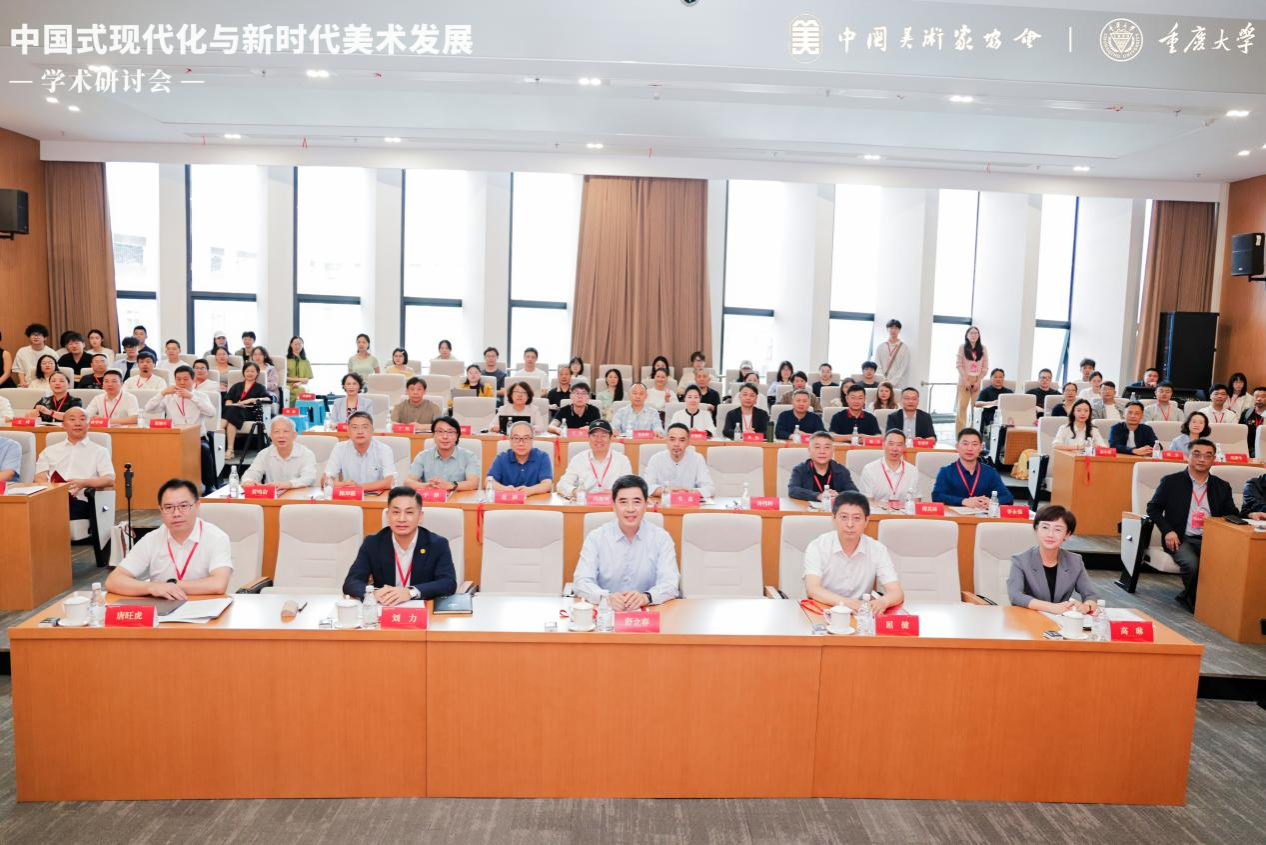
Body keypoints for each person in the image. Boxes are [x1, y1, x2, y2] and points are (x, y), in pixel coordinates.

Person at [105, 479, 232, 599]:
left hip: (205, 605)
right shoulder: (152, 539)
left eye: (183, 506)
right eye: (169, 507)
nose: (176, 513)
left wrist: (171, 585)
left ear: (197, 506)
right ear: (160, 510)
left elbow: (218, 584)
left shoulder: (216, 538)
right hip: (163, 609)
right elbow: (113, 581)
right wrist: (152, 587)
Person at [1147, 439, 1235, 611]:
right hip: (1180, 538)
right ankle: (1198, 603)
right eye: (1197, 454)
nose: (1202, 459)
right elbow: (1153, 508)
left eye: (1207, 456)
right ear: (1187, 456)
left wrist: (1250, 515)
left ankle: (1191, 597)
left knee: (1230, 564)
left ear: (1214, 459)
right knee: (1191, 565)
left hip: (1212, 540)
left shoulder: (1222, 486)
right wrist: (1168, 531)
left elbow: (1231, 514)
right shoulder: (1171, 482)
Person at [573, 474, 680, 609]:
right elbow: (581, 582)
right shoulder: (596, 538)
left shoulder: (661, 538)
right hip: (606, 612)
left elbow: (670, 583)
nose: (630, 509)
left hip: (648, 611)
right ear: (613, 505)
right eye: (623, 502)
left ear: (646, 504)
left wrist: (646, 597)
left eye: (636, 502)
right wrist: (606, 597)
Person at [342, 486, 457, 603]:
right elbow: (351, 582)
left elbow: (448, 583)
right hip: (385, 607)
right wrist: (373, 593)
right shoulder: (373, 543)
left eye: (409, 512)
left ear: (420, 516)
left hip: (421, 607)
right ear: (388, 516)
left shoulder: (437, 544)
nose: (402, 519)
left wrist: (410, 592)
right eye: (396, 512)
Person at [802, 491, 905, 613]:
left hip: (860, 613)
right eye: (844, 517)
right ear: (833, 518)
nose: (850, 524)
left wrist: (883, 601)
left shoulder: (877, 549)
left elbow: (896, 592)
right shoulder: (818, 546)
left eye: (857, 518)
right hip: (824, 610)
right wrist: (844, 603)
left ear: (866, 521)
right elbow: (813, 589)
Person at [1006, 505, 1098, 613]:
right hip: (1028, 618)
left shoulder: (1075, 561)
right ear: (1036, 529)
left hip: (1060, 621)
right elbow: (1015, 595)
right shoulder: (1020, 560)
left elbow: (1091, 595)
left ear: (1067, 534)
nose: (1050, 534)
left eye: (1058, 530)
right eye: (1045, 527)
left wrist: (1087, 606)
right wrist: (1051, 607)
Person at [33, 408, 115, 523]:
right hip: (51, 498)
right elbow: (39, 477)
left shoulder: (100, 451)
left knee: (59, 511)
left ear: (89, 424)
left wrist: (83, 483)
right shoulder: (49, 451)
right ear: (63, 425)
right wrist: (55, 490)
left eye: (82, 419)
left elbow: (109, 480)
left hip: (81, 501)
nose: (77, 423)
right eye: (72, 419)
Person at [146, 365, 219, 490]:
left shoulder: (201, 396)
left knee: (205, 450)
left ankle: (209, 485)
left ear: (193, 379)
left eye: (185, 379)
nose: (181, 382)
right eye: (178, 379)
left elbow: (211, 413)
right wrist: (162, 393)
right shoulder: (169, 397)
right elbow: (149, 408)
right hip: (174, 438)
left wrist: (192, 397)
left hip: (197, 439)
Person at [931, 428, 1014, 508]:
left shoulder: (990, 472)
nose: (970, 448)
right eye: (965, 444)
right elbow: (937, 496)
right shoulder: (946, 472)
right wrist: (963, 501)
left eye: (974, 444)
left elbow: (1008, 497)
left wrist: (991, 502)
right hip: (955, 516)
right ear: (957, 446)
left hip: (983, 516)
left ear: (981, 447)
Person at [323, 411, 397, 492]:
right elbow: (325, 480)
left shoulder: (384, 449)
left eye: (365, 427)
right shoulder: (340, 448)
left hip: (376, 496)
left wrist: (358, 487)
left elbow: (390, 481)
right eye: (355, 427)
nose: (360, 432)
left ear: (372, 430)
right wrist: (343, 485)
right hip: (350, 496)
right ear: (348, 431)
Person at [557, 420, 633, 499]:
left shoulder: (622, 460)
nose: (599, 439)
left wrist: (614, 492)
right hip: (585, 503)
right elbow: (562, 484)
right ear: (589, 438)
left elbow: (629, 486)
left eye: (603, 436)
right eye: (594, 435)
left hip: (612, 503)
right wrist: (576, 492)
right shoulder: (578, 459)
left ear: (610, 438)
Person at [406, 416, 480, 493]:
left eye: (450, 432)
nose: (445, 437)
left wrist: (450, 485)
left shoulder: (469, 456)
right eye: (440, 431)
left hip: (459, 499)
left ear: (457, 436)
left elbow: (473, 483)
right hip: (432, 498)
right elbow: (408, 482)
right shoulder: (423, 456)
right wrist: (429, 486)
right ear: (433, 435)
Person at [241, 416, 317, 489]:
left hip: (298, 495)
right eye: (276, 432)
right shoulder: (264, 454)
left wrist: (288, 484)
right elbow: (252, 473)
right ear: (271, 436)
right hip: (272, 496)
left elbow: (309, 478)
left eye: (285, 431)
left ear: (294, 435)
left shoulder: (306, 454)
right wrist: (248, 481)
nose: (281, 436)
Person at [642, 423, 715, 499]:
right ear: (666, 440)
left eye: (682, 440)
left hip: (688, 503)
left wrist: (688, 492)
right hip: (663, 503)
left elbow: (710, 488)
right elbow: (646, 487)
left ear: (688, 442)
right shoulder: (656, 459)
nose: (676, 444)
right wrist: (667, 491)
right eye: (672, 439)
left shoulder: (697, 459)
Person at [487, 420, 553, 496]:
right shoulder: (502, 458)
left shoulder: (542, 457)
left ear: (532, 440)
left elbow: (547, 484)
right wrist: (505, 489)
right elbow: (488, 481)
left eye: (526, 438)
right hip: (508, 501)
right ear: (510, 440)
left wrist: (531, 490)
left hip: (534, 501)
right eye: (516, 438)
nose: (521, 443)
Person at [788, 432, 858, 503]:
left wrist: (839, 496)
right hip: (808, 509)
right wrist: (818, 496)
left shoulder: (841, 470)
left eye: (827, 447)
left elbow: (854, 492)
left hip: (834, 509)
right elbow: (793, 490)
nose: (822, 451)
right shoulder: (800, 469)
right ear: (809, 450)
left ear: (832, 450)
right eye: (817, 447)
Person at [221, 362, 271, 460]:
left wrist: (251, 400)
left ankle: (218, 433)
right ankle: (230, 450)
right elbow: (228, 399)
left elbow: (268, 399)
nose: (250, 373)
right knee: (233, 414)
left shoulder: (260, 387)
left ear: (257, 373)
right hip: (234, 411)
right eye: (247, 371)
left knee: (233, 413)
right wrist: (231, 403)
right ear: (243, 372)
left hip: (249, 412)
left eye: (252, 371)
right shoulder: (237, 385)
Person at [857, 430, 920, 504]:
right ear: (883, 445)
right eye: (891, 444)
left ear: (904, 447)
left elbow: (916, 501)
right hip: (878, 511)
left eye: (899, 445)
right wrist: (885, 507)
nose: (895, 449)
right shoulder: (869, 469)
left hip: (905, 511)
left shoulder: (912, 471)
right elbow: (866, 502)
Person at [955, 326, 988, 431]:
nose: (973, 335)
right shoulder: (962, 347)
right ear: (967, 335)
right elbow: (959, 365)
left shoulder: (983, 348)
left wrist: (978, 381)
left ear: (979, 335)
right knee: (962, 407)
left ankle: (974, 432)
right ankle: (960, 434)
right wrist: (966, 380)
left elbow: (985, 367)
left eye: (976, 333)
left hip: (977, 380)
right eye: (971, 333)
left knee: (976, 408)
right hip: (964, 379)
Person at [875, 319, 911, 390]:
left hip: (899, 384)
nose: (893, 330)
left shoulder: (904, 347)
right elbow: (877, 364)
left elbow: (903, 367)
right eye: (891, 328)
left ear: (899, 330)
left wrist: (892, 382)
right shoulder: (881, 346)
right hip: (882, 383)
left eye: (896, 328)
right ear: (887, 329)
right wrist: (883, 379)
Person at [284, 336, 313, 406]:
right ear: (291, 345)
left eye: (300, 344)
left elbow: (307, 379)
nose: (298, 346)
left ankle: (301, 411)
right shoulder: (285, 360)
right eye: (295, 344)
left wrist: (299, 383)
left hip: (301, 384)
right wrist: (299, 380)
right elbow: (283, 378)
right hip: (287, 384)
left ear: (303, 345)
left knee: (302, 389)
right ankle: (291, 411)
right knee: (293, 391)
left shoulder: (305, 361)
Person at [1241, 387, 1266, 457]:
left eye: (1263, 396)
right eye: (1256, 396)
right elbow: (1240, 431)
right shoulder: (1247, 412)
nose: (1259, 399)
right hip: (1248, 449)